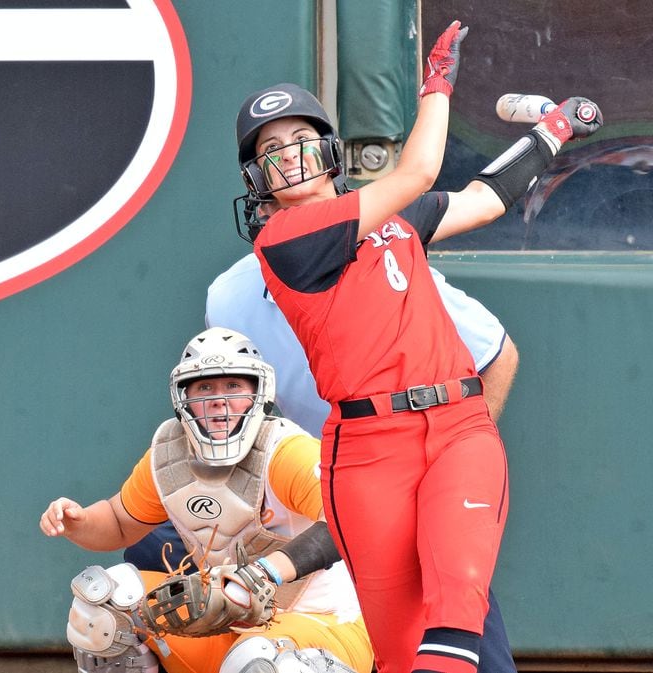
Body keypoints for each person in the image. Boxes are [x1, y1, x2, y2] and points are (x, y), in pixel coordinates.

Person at [232, 19, 602, 673]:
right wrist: (436, 84)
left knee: (457, 613)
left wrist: (553, 134)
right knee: (403, 657)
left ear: (328, 150)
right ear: (257, 177)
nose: (287, 152)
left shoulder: (389, 216)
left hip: (458, 426)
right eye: (271, 146)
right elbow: (420, 168)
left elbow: (484, 200)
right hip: (367, 454)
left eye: (299, 137)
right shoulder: (285, 237)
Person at [128, 254, 519, 673]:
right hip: (281, 488)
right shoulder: (232, 295)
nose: (292, 218)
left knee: (457, 620)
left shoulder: (394, 267)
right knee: (138, 568)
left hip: (389, 488)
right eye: (274, 202)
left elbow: (498, 357)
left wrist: (442, 475)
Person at [41, 328, 372, 673]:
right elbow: (119, 522)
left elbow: (350, 520)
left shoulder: (285, 450)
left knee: (260, 661)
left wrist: (263, 574)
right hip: (227, 624)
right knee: (105, 603)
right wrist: (78, 522)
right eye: (204, 388)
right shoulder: (169, 455)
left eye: (233, 386)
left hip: (323, 624)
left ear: (259, 393)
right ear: (182, 397)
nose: (218, 400)